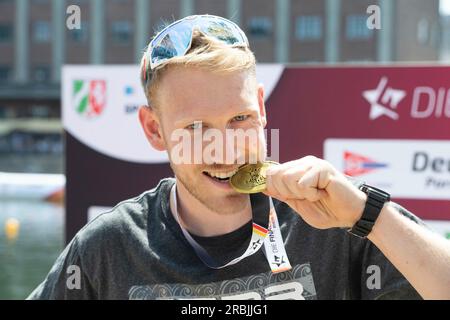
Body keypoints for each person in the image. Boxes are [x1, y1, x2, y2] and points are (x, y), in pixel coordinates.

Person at [28, 15, 447, 300]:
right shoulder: (110, 246)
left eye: (239, 118)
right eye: (195, 128)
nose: (223, 146)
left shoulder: (337, 221)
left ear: (262, 110)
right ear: (154, 130)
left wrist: (365, 214)